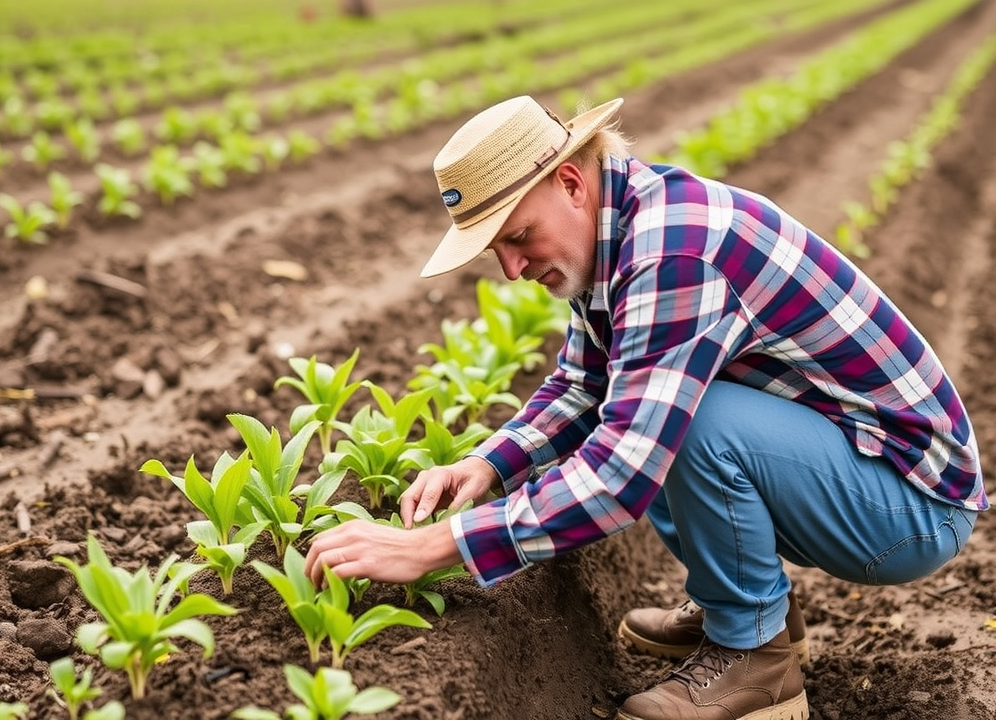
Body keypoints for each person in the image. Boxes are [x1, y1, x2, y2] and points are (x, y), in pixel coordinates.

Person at [305, 95, 986, 720]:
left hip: (911, 506)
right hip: (858, 472)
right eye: (495, 252)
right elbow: (583, 384)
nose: (510, 269)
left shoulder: (671, 252)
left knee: (685, 424)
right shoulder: (618, 229)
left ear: (570, 183)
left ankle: (759, 663)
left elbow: (623, 472)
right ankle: (748, 610)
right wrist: (488, 465)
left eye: (516, 237)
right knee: (652, 401)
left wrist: (434, 546)